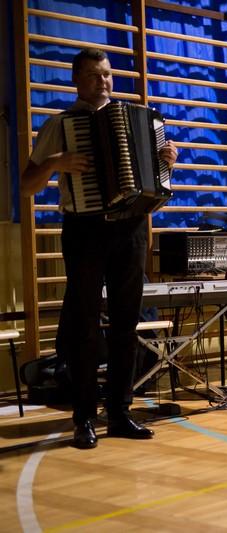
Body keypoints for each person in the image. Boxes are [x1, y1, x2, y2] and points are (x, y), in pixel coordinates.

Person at [21, 48, 178, 449]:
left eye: (106, 74)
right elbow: (26, 186)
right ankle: (84, 417)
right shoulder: (60, 124)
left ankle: (121, 412)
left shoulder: (139, 119)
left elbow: (153, 186)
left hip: (131, 228)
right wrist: (54, 163)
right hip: (84, 229)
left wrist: (166, 164)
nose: (102, 81)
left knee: (127, 324)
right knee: (84, 326)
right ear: (76, 80)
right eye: (93, 75)